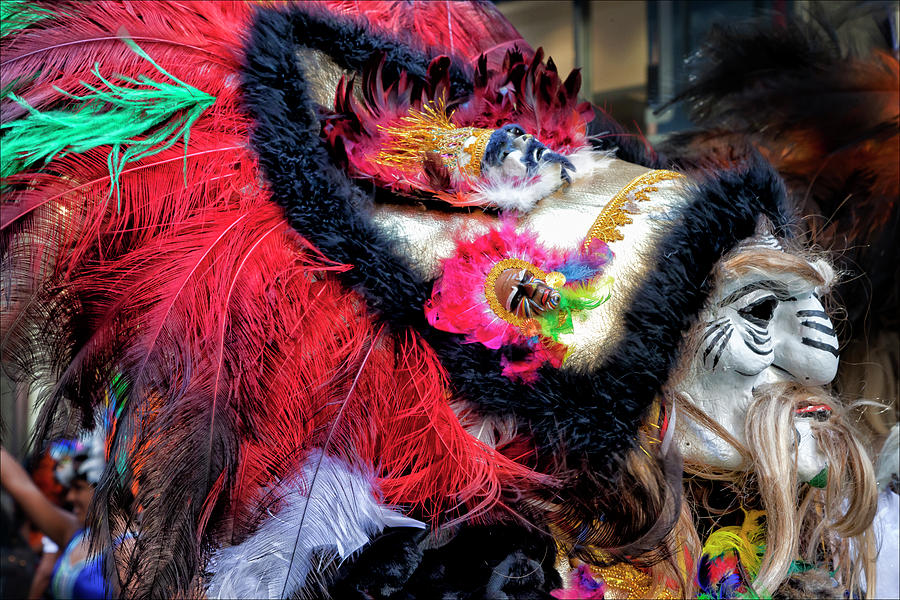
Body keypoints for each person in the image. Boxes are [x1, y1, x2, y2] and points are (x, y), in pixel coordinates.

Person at [1, 445, 110, 599]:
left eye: (78, 488)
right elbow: (21, 486)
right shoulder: (75, 533)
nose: (69, 497)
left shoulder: (132, 547)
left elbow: (45, 573)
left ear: (105, 490)